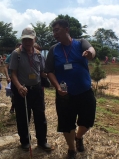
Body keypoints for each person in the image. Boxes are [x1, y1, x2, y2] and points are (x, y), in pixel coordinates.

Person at [45, 19, 96, 159]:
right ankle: (72, 149)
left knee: (88, 120)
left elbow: (91, 49)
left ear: (66, 29)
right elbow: (49, 71)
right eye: (53, 31)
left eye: (57, 30)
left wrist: (90, 53)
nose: (54, 34)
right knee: (66, 123)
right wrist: (57, 87)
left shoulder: (80, 43)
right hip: (64, 95)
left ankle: (79, 137)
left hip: (85, 91)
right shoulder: (53, 50)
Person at [9, 27, 53, 151]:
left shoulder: (39, 55)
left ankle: (42, 141)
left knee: (40, 116)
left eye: (30, 39)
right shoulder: (16, 54)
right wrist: (19, 87)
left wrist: (50, 76)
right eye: (25, 39)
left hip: (37, 90)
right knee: (23, 117)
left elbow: (42, 72)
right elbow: (13, 74)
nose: (27, 42)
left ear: (35, 39)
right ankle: (25, 141)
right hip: (22, 90)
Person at [4, 42, 22, 114]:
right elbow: (5, 67)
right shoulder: (11, 56)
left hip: (21, 78)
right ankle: (13, 106)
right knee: (14, 93)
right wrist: (7, 77)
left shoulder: (24, 55)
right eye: (17, 48)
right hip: (12, 78)